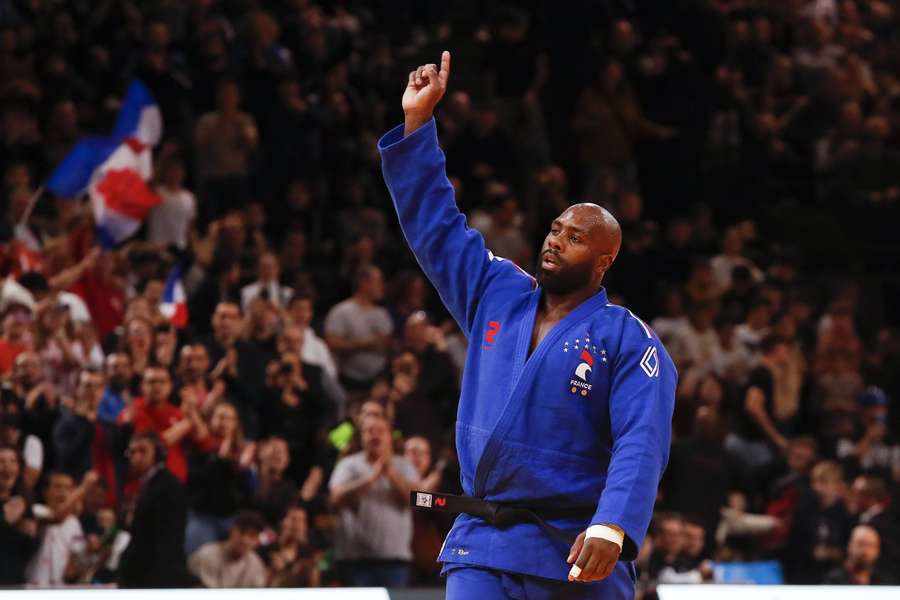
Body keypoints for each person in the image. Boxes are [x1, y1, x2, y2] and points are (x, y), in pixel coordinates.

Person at [379, 52, 676, 599]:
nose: (555, 239)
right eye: (556, 228)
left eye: (575, 236)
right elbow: (438, 229)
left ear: (605, 260)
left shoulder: (627, 338)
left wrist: (613, 525)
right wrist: (419, 124)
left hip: (577, 546)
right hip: (483, 544)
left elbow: (643, 439)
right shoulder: (499, 294)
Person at [329, 413, 420, 587]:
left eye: (380, 431)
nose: (375, 435)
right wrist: (371, 478)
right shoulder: (348, 465)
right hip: (354, 561)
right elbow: (335, 497)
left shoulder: (403, 465)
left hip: (395, 561)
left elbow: (418, 500)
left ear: (389, 436)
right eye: (369, 431)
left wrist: (391, 474)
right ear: (361, 436)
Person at [117, 432, 191, 588]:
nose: (136, 457)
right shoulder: (148, 485)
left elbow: (168, 541)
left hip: (155, 577)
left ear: (158, 454)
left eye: (143, 451)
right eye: (132, 452)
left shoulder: (169, 487)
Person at [188, 509, 267, 588]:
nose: (244, 540)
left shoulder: (256, 563)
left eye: (251, 536)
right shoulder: (207, 555)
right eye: (242, 532)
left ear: (257, 541)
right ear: (232, 530)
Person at [824, 525, 897, 585]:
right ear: (849, 545)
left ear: (878, 551)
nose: (865, 551)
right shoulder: (833, 581)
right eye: (860, 544)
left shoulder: (885, 583)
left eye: (871, 546)